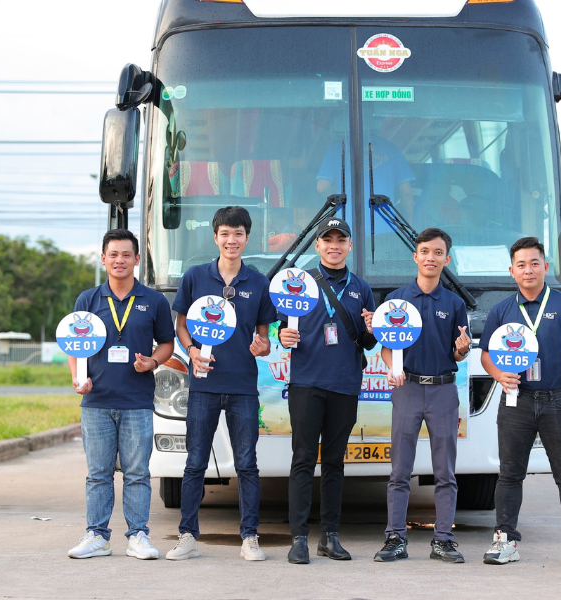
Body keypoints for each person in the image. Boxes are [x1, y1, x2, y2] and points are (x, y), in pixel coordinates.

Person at [478, 236, 561, 568]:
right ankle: (505, 540)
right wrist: (498, 376)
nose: (528, 270)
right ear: (512, 271)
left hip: (557, 400)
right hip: (516, 399)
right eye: (521, 264)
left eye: (535, 263)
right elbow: (487, 353)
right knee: (509, 473)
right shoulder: (502, 309)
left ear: (545, 267)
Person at [166, 206, 277, 562]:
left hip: (243, 386)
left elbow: (264, 338)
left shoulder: (258, 282)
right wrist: (192, 350)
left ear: (247, 238)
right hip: (203, 385)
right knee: (195, 461)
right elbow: (181, 324)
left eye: (239, 234)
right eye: (225, 234)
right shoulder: (195, 277)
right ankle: (187, 535)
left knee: (247, 463)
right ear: (215, 237)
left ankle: (250, 536)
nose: (232, 240)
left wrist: (263, 346)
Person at [66, 229, 176, 560]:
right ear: (103, 258)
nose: (119, 260)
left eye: (126, 255)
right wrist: (77, 378)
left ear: (137, 259)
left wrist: (153, 361)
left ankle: (138, 536)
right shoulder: (88, 299)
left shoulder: (154, 301)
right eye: (113, 254)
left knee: (137, 473)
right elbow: (74, 344)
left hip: (137, 403)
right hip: (96, 402)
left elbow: (168, 344)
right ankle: (97, 536)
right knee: (98, 474)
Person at [366, 228, 471, 564]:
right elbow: (387, 349)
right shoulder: (396, 300)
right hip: (407, 389)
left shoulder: (455, 304)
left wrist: (462, 351)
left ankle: (444, 539)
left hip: (443, 391)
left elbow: (457, 354)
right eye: (424, 251)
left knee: (445, 472)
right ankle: (395, 538)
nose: (430, 257)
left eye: (437, 252)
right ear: (415, 256)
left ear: (446, 259)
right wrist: (391, 366)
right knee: (400, 471)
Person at [277, 216, 377, 564]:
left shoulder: (361, 288)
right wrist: (281, 335)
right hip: (306, 384)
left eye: (341, 240)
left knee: (334, 462)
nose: (334, 245)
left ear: (349, 246)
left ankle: (330, 536)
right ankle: (299, 538)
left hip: (345, 385)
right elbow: (282, 327)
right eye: (327, 240)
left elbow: (366, 341)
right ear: (317, 246)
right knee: (303, 459)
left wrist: (372, 330)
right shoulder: (299, 282)